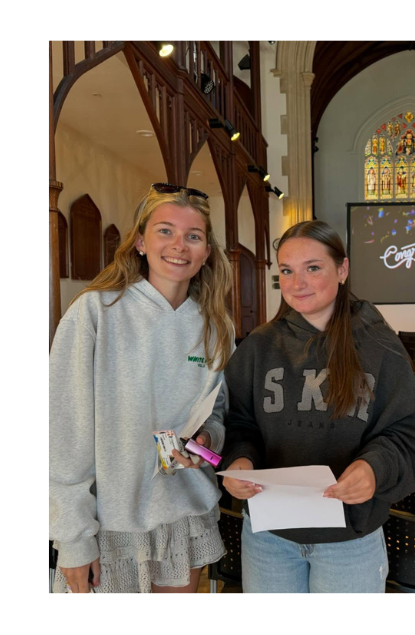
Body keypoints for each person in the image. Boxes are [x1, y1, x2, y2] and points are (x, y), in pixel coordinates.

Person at [220, 220, 415, 593]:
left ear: (342, 270)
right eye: (286, 271)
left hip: (350, 540)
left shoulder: (378, 346)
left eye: (313, 268)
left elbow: (410, 428)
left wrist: (374, 468)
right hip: (270, 537)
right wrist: (240, 460)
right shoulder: (258, 347)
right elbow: (239, 423)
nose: (297, 283)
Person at [49, 183, 235, 593]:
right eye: (165, 230)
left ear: (206, 252)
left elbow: (218, 413)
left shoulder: (216, 328)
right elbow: (62, 431)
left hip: (183, 515)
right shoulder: (97, 310)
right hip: (108, 522)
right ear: (139, 242)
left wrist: (207, 440)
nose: (179, 246)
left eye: (193, 236)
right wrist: (74, 537)